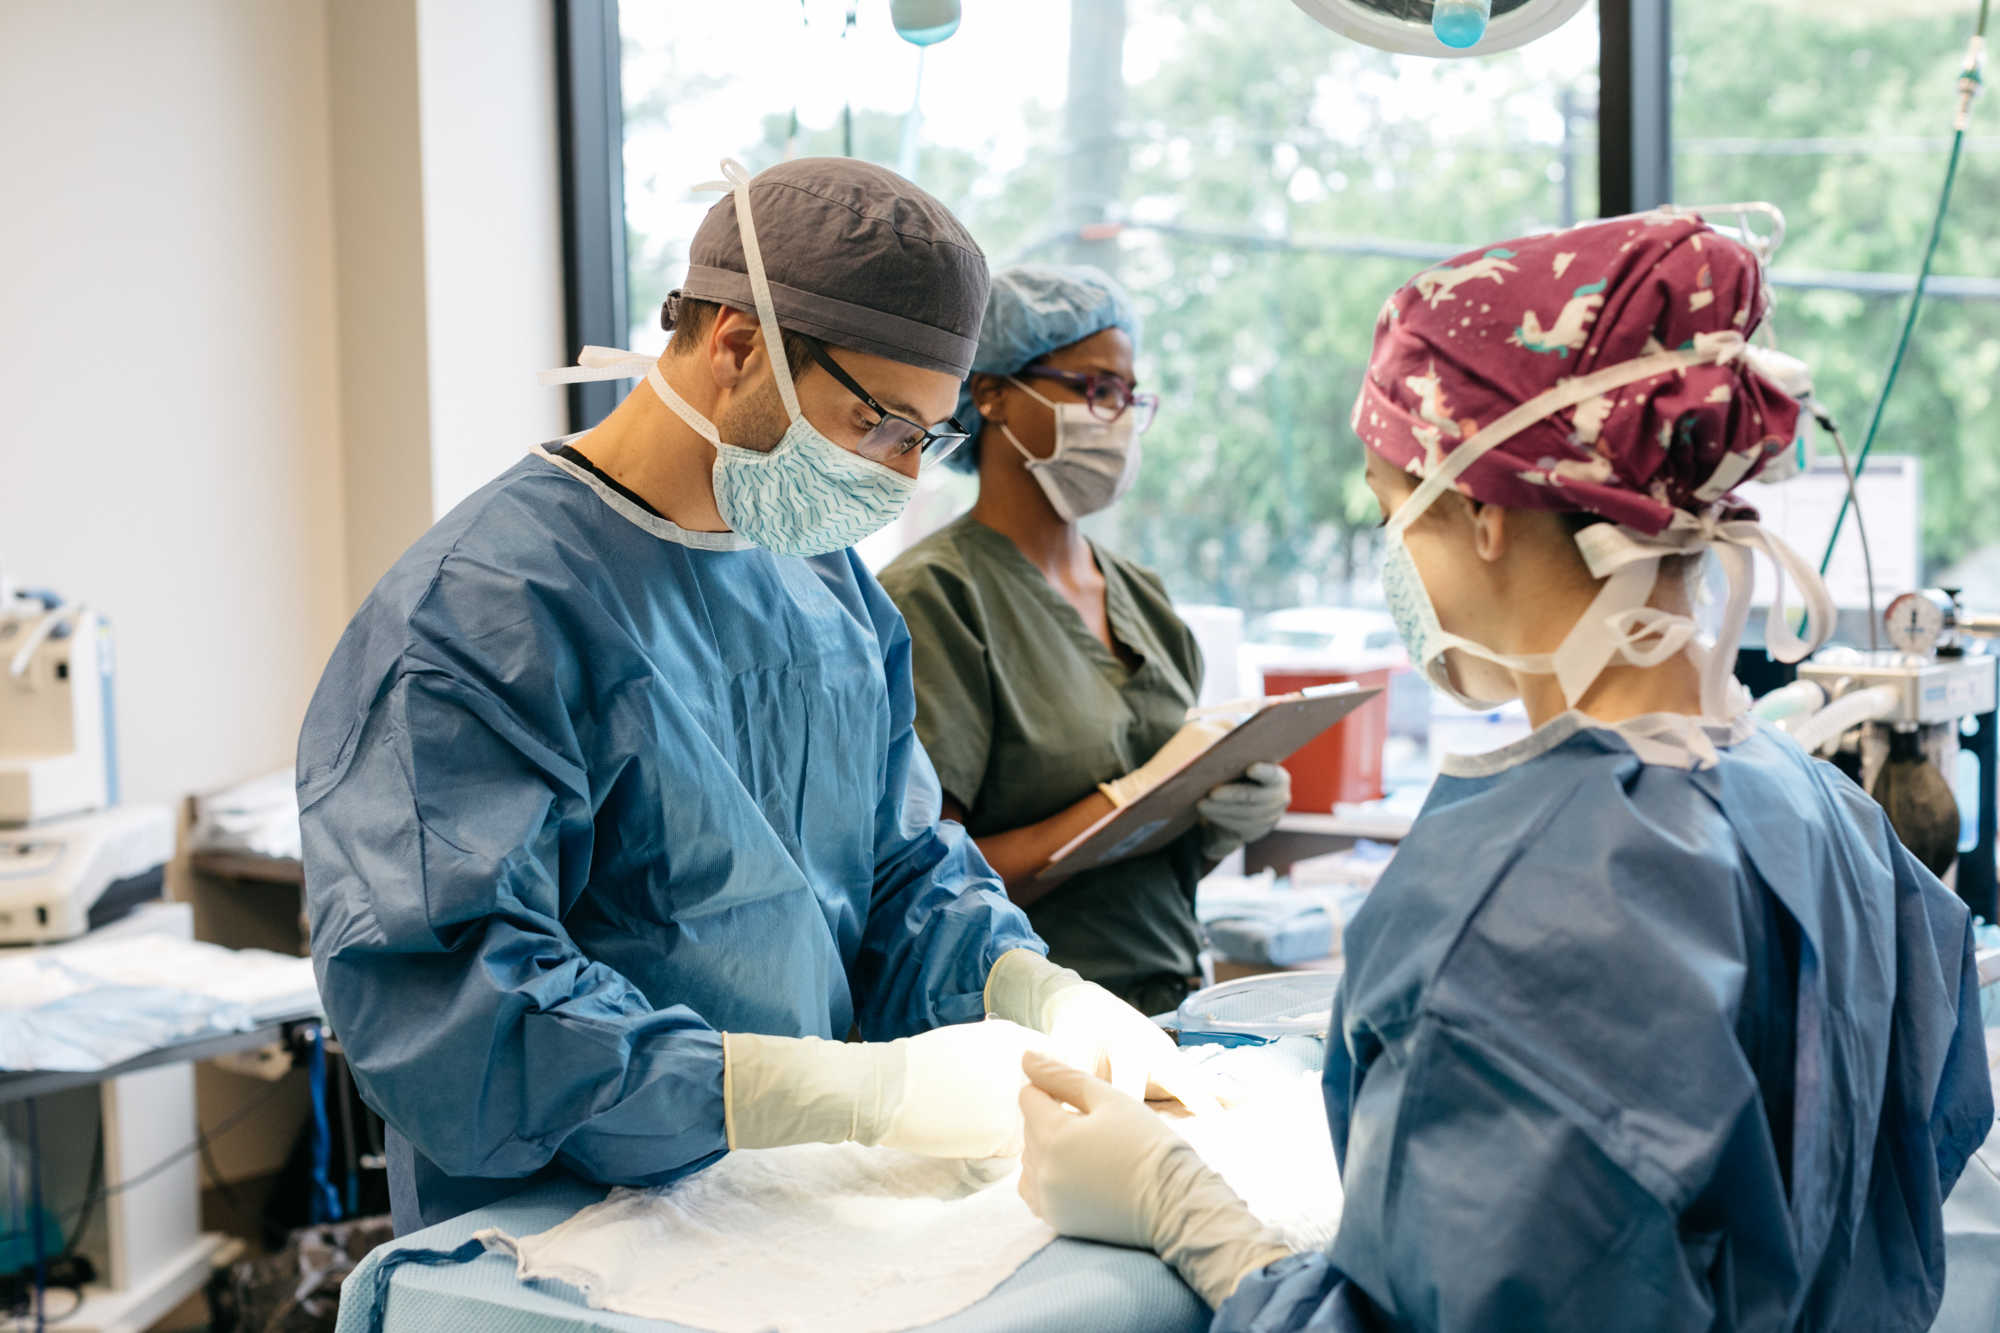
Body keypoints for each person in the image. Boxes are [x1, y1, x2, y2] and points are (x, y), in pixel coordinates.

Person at [1013, 211, 1995, 1329]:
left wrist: (1184, 1209)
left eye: (1396, 513)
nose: (1394, 559)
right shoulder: (1821, 810)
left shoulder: (1525, 913)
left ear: (1480, 510)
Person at [298, 157, 1208, 1235]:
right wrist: (829, 1095)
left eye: (926, 436)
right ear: (736, 342)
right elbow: (463, 1011)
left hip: (794, 1207)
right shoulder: (475, 617)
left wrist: (1029, 989)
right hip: (560, 1237)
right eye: (879, 424)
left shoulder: (819, 576)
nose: (905, 475)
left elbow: (901, 870)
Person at [880, 264, 1291, 1017]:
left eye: (1131, 397)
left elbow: (1147, 862)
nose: (1120, 417)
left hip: (1171, 1001)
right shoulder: (938, 598)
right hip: (1021, 1024)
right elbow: (927, 879)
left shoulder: (1144, 598)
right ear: (994, 393)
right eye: (1098, 389)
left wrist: (1216, 816)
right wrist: (1125, 801)